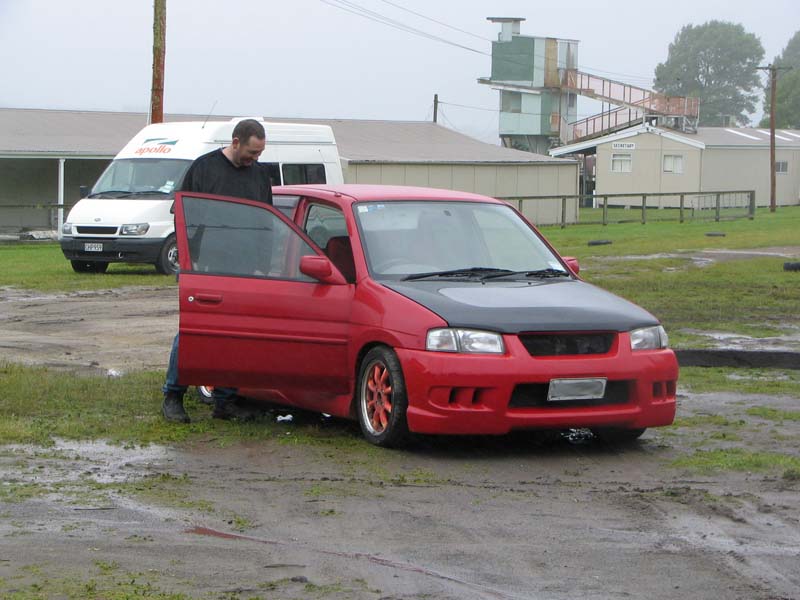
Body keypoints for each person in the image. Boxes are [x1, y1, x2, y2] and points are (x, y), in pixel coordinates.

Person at [162, 119, 273, 423]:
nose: (255, 159)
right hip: (205, 269)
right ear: (235, 142)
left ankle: (226, 401)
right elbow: (184, 218)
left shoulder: (260, 176)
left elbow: (267, 223)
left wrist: (264, 266)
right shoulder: (204, 169)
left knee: (235, 335)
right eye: (252, 152)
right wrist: (190, 263)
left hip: (244, 269)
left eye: (259, 153)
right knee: (193, 333)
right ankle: (173, 395)